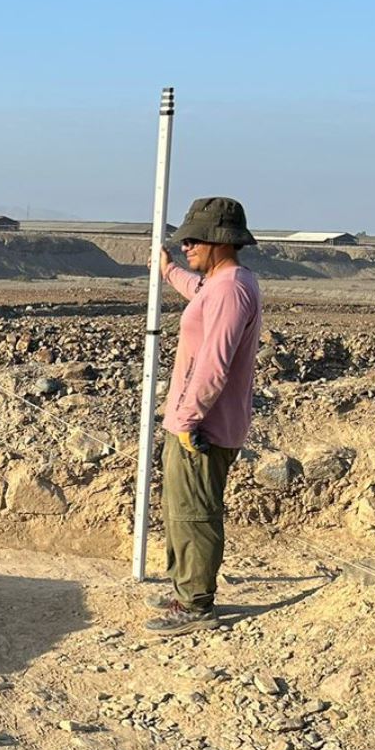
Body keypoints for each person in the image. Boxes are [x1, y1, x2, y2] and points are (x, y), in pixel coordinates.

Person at [145, 196, 263, 636]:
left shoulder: (231, 288)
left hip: (203, 427)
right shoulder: (220, 283)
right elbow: (198, 292)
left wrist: (188, 419)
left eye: (195, 238)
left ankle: (196, 605)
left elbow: (215, 363)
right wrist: (169, 269)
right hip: (191, 421)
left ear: (221, 240)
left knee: (195, 513)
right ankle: (184, 590)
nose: (187, 244)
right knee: (180, 509)